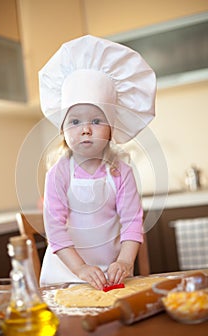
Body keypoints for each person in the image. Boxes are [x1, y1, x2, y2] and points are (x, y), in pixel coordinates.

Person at [38, 35, 156, 289]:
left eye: (96, 120)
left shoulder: (121, 172)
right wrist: (80, 269)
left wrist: (124, 262)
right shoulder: (58, 174)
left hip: (111, 273)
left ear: (112, 129)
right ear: (63, 130)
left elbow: (132, 222)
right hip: (65, 275)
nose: (86, 130)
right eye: (75, 121)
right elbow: (55, 230)